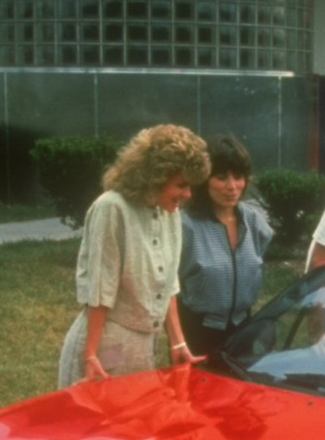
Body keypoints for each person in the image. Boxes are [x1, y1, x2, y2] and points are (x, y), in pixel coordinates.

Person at [56, 125, 211, 387]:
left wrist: (178, 342)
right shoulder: (112, 208)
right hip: (104, 343)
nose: (188, 194)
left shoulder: (170, 213)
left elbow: (169, 283)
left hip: (142, 347)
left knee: (134, 424)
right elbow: (100, 289)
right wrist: (91, 354)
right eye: (181, 185)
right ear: (155, 178)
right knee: (95, 425)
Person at [177, 134, 273, 357]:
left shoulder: (254, 221)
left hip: (242, 330)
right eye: (221, 177)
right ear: (203, 180)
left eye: (238, 177)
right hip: (198, 332)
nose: (232, 186)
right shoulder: (185, 225)